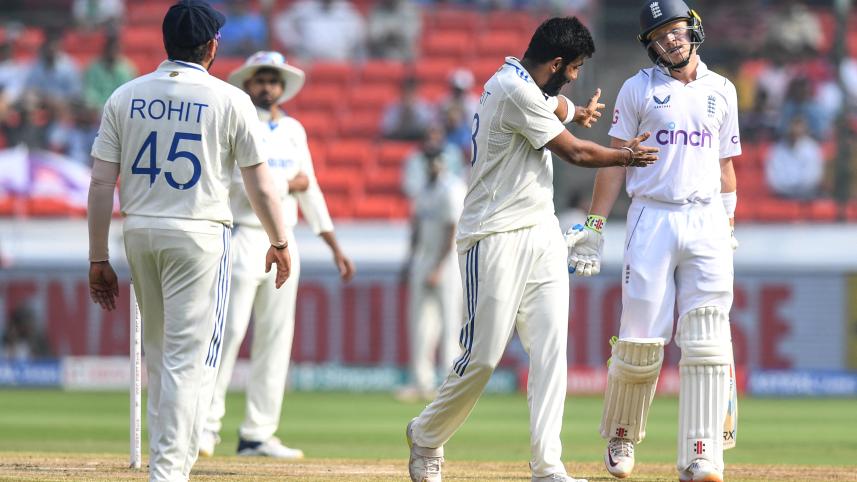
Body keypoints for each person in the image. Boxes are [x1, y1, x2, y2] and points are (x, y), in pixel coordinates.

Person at [405, 16, 658, 482]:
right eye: (574, 68)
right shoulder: (511, 89)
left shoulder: (527, 83)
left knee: (550, 351)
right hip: (494, 234)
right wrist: (627, 156)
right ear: (556, 62)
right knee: (482, 357)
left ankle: (547, 466)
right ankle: (425, 434)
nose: (576, 76)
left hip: (542, 231)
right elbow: (577, 153)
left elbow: (554, 102)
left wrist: (575, 111)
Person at [86, 2, 292, 480]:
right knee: (188, 358)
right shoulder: (231, 100)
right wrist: (280, 241)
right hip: (199, 233)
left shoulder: (125, 95)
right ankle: (169, 471)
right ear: (213, 47)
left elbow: (100, 184)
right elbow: (261, 185)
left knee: (161, 355)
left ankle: (170, 462)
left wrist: (98, 257)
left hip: (140, 229)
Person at [566, 1, 740, 481]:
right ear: (651, 46)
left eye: (676, 30)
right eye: (660, 36)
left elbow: (726, 166)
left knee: (707, 339)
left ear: (693, 28)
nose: (670, 40)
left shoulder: (723, 90)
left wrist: (728, 224)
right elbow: (615, 160)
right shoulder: (637, 89)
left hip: (706, 217)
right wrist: (594, 226)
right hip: (652, 216)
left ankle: (702, 452)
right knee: (640, 335)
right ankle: (621, 435)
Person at [199, 50, 356, 458]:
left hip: (285, 242)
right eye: (260, 79)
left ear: (282, 88)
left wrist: (334, 246)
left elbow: (311, 189)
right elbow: (237, 184)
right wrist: (287, 182)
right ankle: (202, 427)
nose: (267, 87)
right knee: (227, 333)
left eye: (273, 81)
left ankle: (257, 433)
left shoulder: (293, 130)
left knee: (276, 338)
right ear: (248, 84)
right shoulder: (236, 121)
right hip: (242, 235)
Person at [397, 150, 466, 402]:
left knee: (449, 322)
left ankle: (450, 383)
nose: (431, 167)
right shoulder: (424, 190)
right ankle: (421, 381)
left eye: (434, 162)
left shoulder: (453, 189)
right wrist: (410, 261)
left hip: (446, 264)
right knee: (420, 323)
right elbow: (416, 228)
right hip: (423, 261)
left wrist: (438, 267)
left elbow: (452, 229)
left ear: (443, 163)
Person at [765, 116, 823, 199]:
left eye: (798, 132)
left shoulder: (812, 149)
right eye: (792, 132)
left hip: (806, 195)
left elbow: (812, 177)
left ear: (804, 131)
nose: (795, 133)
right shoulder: (776, 150)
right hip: (781, 195)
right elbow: (772, 178)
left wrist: (798, 190)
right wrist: (785, 189)